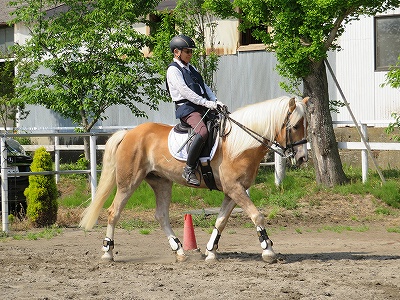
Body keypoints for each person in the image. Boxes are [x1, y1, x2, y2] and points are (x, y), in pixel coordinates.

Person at [166, 34, 224, 186]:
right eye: (187, 51)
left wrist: (215, 101)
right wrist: (207, 103)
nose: (190, 54)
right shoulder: (173, 70)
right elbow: (185, 92)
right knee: (202, 131)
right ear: (176, 52)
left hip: (201, 105)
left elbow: (204, 87)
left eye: (191, 52)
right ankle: (189, 168)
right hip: (187, 109)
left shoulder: (191, 68)